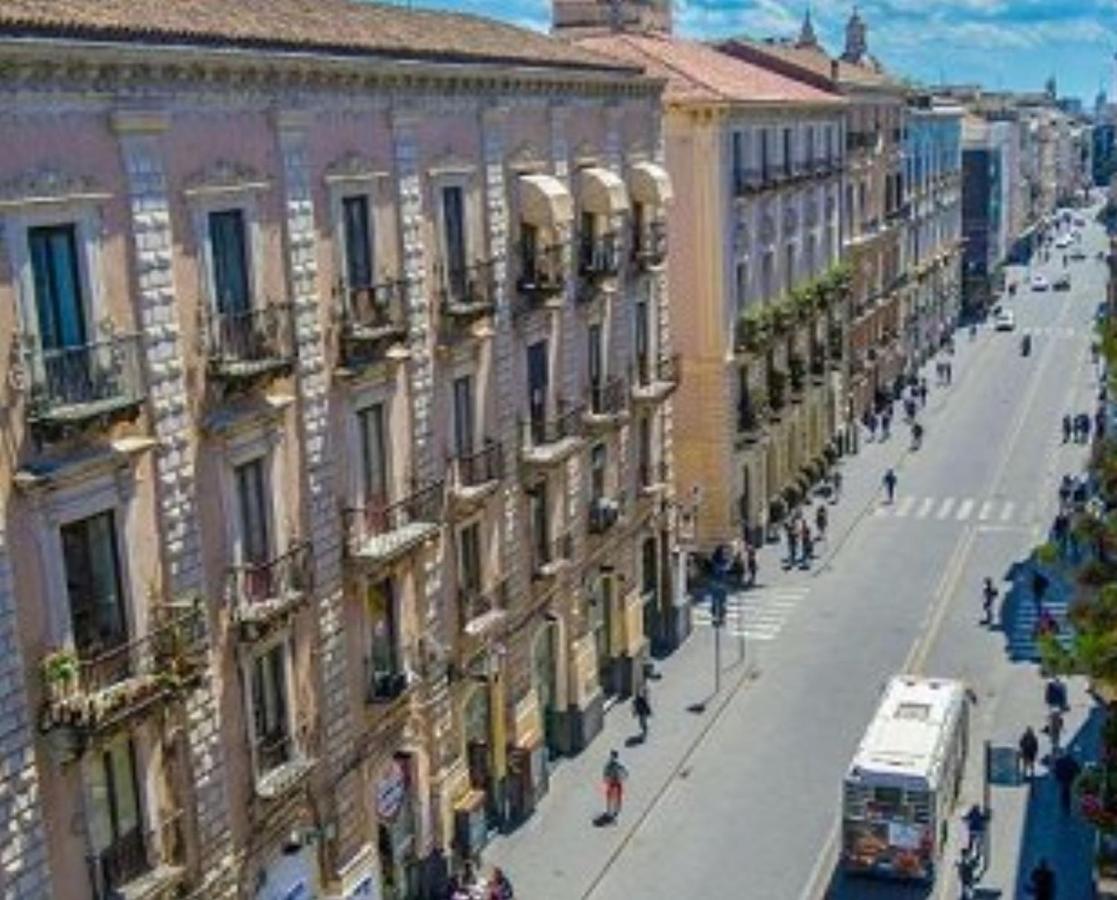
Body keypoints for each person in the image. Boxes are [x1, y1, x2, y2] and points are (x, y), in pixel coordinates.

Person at [603, 750, 628, 819]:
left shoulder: (614, 764)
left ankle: (613, 810)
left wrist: (606, 778)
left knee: (614, 796)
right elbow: (606, 772)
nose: (612, 757)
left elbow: (624, 770)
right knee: (612, 796)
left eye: (613, 756)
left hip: (615, 781)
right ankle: (612, 810)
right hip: (614, 782)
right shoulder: (612, 764)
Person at [1053, 751, 1080, 815]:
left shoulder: (1060, 761)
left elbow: (1055, 770)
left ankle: (1065, 807)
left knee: (1064, 792)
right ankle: (1067, 807)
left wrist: (1057, 775)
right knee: (1067, 792)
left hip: (1063, 779)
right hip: (1069, 779)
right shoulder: (1072, 762)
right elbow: (1078, 770)